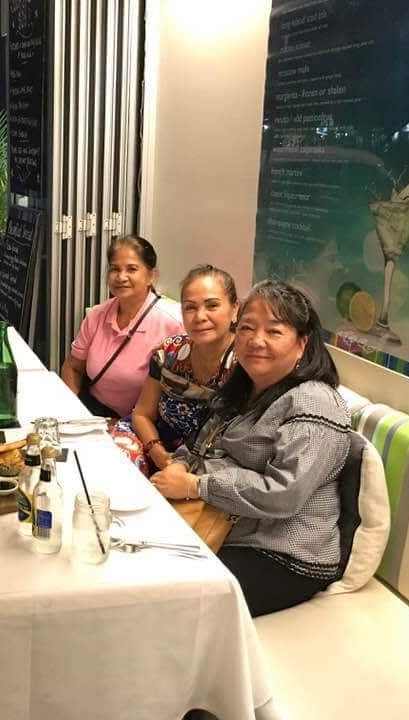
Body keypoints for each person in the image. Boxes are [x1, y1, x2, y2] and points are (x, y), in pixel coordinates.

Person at [150, 281, 351, 617]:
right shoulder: (246, 389)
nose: (256, 340)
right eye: (247, 328)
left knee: (164, 603)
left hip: (284, 555)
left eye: (274, 331)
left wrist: (197, 485)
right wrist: (178, 465)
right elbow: (200, 443)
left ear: (302, 343)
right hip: (224, 527)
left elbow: (284, 493)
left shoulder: (314, 402)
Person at [60, 235, 183, 418]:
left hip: (143, 423)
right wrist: (75, 413)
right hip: (94, 414)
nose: (121, 277)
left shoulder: (174, 323)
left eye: (132, 269)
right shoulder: (97, 315)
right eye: (115, 269)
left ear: (151, 276)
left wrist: (125, 425)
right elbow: (73, 367)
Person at [130, 265, 238, 471]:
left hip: (213, 461)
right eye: (190, 307)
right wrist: (157, 452)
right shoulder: (169, 352)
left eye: (212, 305)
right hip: (156, 443)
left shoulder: (246, 364)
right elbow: (142, 414)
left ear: (235, 310)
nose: (200, 316)